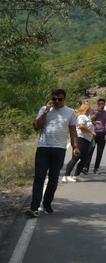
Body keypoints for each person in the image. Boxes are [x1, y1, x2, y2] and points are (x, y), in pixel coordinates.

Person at [25, 90, 79, 218]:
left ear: (64, 99)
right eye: (54, 99)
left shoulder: (70, 112)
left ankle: (47, 203)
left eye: (59, 99)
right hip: (43, 147)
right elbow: (36, 126)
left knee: (53, 178)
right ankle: (34, 207)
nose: (56, 102)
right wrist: (45, 112)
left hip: (59, 149)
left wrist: (75, 147)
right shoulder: (45, 109)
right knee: (39, 176)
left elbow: (73, 132)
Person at [61, 102, 95, 182]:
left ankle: (76, 175)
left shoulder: (87, 117)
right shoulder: (82, 116)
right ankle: (66, 175)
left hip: (87, 140)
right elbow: (81, 126)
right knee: (76, 157)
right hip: (80, 139)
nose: (90, 110)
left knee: (85, 158)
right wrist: (91, 131)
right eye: (89, 108)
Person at [90, 99, 106, 174]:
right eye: (99, 104)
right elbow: (91, 120)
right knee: (90, 150)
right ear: (97, 104)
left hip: (102, 132)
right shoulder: (93, 111)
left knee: (100, 151)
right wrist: (97, 112)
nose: (100, 105)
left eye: (102, 104)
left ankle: (96, 168)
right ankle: (86, 167)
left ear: (104, 104)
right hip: (94, 132)